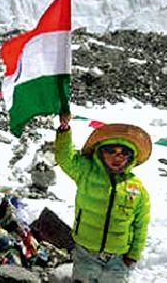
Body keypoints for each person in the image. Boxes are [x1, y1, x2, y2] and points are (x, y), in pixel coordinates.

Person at [55, 114, 152, 283]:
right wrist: (65, 131)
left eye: (125, 153)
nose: (118, 156)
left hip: (118, 258)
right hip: (86, 253)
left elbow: (140, 224)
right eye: (111, 151)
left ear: (131, 158)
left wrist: (134, 254)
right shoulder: (86, 172)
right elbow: (65, 159)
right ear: (100, 153)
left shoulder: (137, 188)